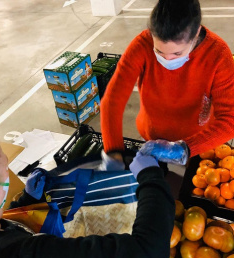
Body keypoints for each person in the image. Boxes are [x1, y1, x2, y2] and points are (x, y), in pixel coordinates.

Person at [0, 120, 175, 258]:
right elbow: (149, 251)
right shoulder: (32, 257)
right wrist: (151, 177)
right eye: (5, 170)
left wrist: (27, 201)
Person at [100, 0, 234, 169]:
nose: (167, 60)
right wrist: (113, 152)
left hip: (198, 142)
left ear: (197, 33)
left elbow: (229, 119)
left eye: (177, 53)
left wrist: (185, 148)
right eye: (159, 51)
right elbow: (113, 99)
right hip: (151, 137)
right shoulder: (142, 44)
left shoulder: (218, 54)